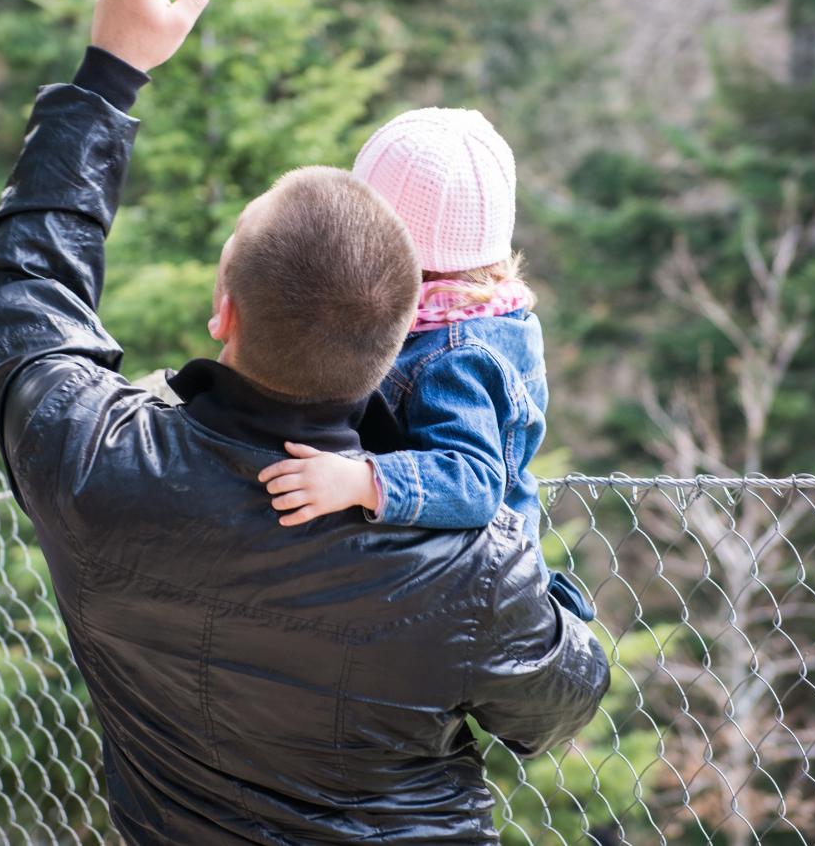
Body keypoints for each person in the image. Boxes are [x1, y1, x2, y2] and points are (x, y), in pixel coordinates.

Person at [0, 0, 609, 843]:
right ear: (404, 336)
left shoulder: (90, 464)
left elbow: (24, 285)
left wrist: (110, 72)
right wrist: (512, 541)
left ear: (224, 307)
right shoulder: (471, 567)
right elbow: (561, 703)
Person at [254, 108, 596, 621]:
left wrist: (361, 480)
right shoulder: (487, 316)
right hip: (440, 581)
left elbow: (474, 481)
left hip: (463, 594)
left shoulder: (456, 354)